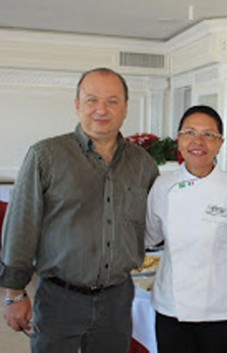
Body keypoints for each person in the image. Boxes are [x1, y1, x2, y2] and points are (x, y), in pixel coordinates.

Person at [0, 67, 159, 353]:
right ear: (77, 105)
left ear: (125, 108)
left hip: (117, 299)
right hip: (60, 298)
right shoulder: (46, 156)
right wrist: (13, 294)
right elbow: (21, 227)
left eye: (112, 101)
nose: (101, 109)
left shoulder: (143, 164)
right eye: (91, 100)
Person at [145, 105, 227, 353]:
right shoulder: (162, 186)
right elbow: (151, 236)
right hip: (171, 309)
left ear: (220, 144)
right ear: (179, 140)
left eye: (209, 135)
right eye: (189, 133)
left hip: (222, 313)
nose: (198, 141)